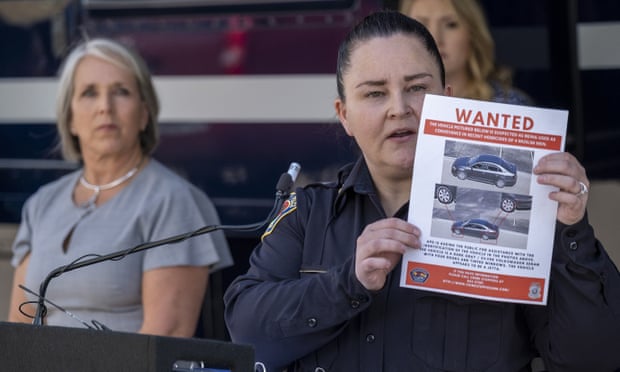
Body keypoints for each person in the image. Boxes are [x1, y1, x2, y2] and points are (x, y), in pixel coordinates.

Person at [224, 11, 620, 371]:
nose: (399, 108)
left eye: (416, 88)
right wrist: (348, 283)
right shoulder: (309, 213)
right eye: (375, 93)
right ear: (345, 115)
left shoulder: (512, 214)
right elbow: (247, 331)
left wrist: (571, 231)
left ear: (447, 99)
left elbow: (593, 357)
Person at [8, 38, 232, 337]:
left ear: (144, 113)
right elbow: (17, 331)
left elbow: (162, 341)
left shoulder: (173, 201)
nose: (105, 107)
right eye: (89, 93)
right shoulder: (42, 203)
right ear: (70, 118)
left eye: (121, 92)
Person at [401, 0, 533, 105]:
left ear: (473, 34)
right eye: (421, 25)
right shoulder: (397, 108)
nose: (435, 38)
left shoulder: (509, 106)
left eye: (451, 25)